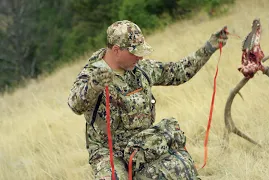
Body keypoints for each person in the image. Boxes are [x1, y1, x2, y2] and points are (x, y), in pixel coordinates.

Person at [67, 20, 228, 180]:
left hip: (143, 145)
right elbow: (75, 105)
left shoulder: (142, 69)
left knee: (179, 171)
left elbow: (178, 72)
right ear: (116, 50)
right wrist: (94, 86)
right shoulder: (92, 73)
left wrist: (209, 47)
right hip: (108, 153)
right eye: (134, 53)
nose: (140, 57)